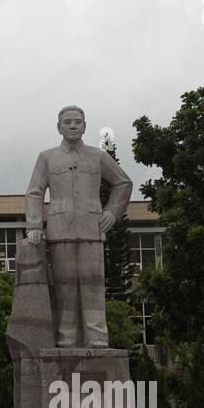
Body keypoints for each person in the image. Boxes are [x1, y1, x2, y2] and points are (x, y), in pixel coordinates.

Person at [24, 105, 132, 349]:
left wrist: (112, 212)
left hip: (91, 230)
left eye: (78, 122)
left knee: (93, 284)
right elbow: (34, 192)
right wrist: (34, 225)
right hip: (60, 231)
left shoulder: (97, 156)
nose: (73, 126)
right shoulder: (47, 157)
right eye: (68, 122)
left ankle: (97, 337)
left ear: (84, 126)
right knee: (65, 287)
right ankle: (67, 339)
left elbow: (123, 183)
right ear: (59, 127)